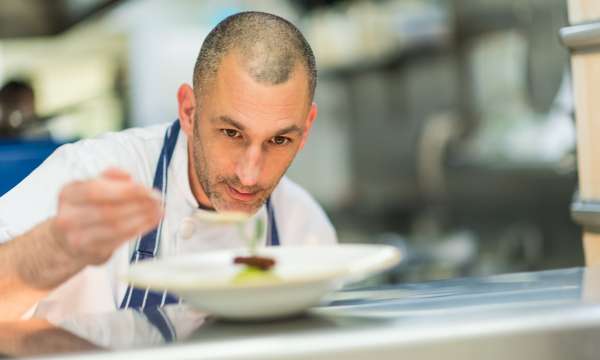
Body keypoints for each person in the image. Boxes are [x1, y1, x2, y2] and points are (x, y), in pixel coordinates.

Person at [0, 11, 337, 322]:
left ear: (305, 129)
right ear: (189, 111)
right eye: (231, 133)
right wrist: (56, 245)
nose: (250, 174)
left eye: (279, 140)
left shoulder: (305, 229)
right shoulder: (91, 173)